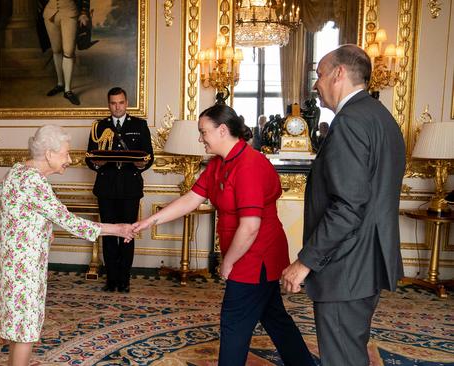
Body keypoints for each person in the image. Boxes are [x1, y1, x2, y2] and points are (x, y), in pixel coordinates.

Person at [132, 104, 314, 366]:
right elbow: (190, 200)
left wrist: (228, 261)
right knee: (274, 318)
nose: (200, 138)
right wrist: (150, 221)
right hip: (247, 253)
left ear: (222, 130)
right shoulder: (220, 163)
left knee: (234, 324)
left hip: (255, 256)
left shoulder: (250, 165)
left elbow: (250, 227)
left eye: (203, 132)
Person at [281, 44, 406, 366]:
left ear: (339, 73)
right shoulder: (381, 117)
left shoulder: (350, 121)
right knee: (350, 351)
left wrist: (304, 262)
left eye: (319, 75)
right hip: (368, 261)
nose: (315, 85)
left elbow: (348, 206)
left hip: (346, 265)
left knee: (342, 358)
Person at [0, 125, 134, 366]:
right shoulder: (34, 182)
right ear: (49, 154)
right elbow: (68, 220)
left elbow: (21, 214)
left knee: (19, 326)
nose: (70, 159)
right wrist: (118, 228)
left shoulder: (16, 172)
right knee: (25, 329)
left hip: (12, 263)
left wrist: (44, 231)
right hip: (25, 268)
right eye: (66, 154)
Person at [85, 87, 154, 293]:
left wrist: (142, 165)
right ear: (109, 104)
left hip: (130, 188)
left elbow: (149, 156)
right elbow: (89, 158)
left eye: (121, 102)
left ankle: (124, 280)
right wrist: (97, 163)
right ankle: (111, 279)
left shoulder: (139, 125)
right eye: (113, 103)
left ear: (126, 103)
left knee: (127, 234)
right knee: (108, 234)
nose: (117, 107)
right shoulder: (99, 127)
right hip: (106, 188)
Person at [39, 0, 90, 105]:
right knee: (56, 50)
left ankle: (67, 90)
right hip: (50, 13)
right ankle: (60, 84)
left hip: (70, 12)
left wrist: (84, 13)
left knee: (68, 51)